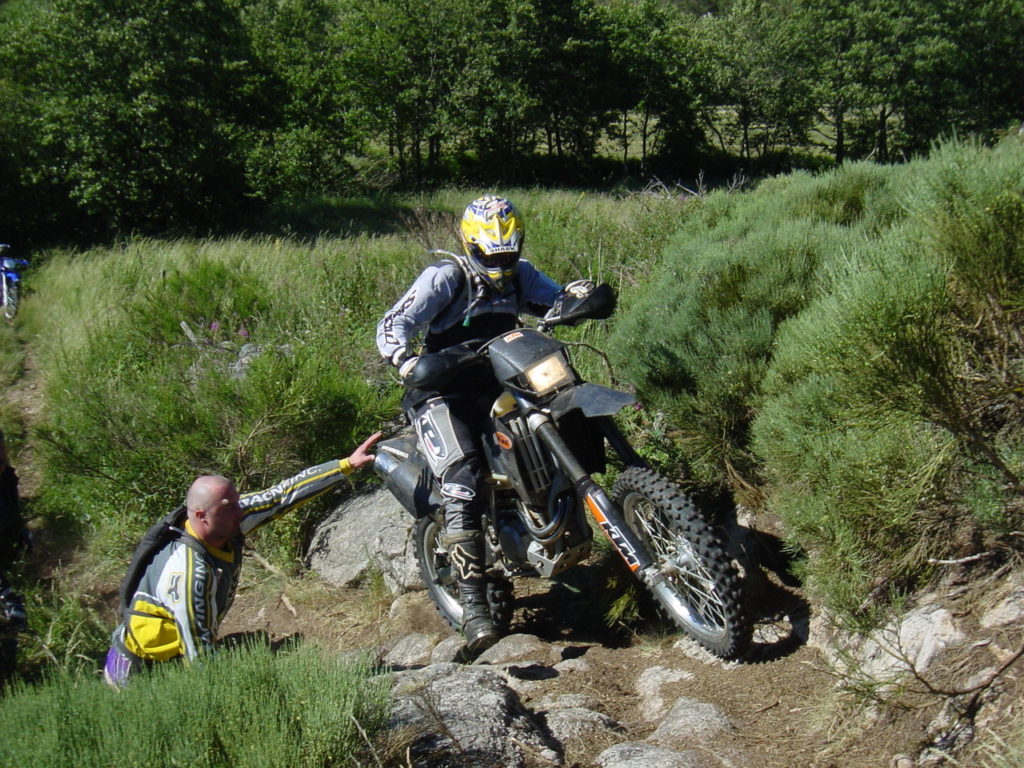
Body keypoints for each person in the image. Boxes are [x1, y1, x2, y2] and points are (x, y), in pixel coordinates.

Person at [376, 195, 587, 652]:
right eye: (492, 254)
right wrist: (406, 360)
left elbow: (554, 301)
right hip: (441, 392)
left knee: (559, 412)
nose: (501, 262)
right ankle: (474, 607)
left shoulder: (521, 273)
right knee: (465, 478)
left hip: (499, 382)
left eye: (507, 253)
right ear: (471, 245)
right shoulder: (446, 277)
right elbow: (394, 322)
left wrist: (578, 297)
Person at [103, 431, 381, 686]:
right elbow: (199, 655)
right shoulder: (189, 574)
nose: (241, 511)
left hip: (178, 654)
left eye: (238, 501)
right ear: (201, 516)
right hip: (140, 672)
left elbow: (282, 495)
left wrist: (345, 465)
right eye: (230, 507)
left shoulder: (229, 518)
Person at [0, 430, 29, 682]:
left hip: (6, 556)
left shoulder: (7, 478)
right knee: (10, 617)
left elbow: (14, 511)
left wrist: (23, 533)